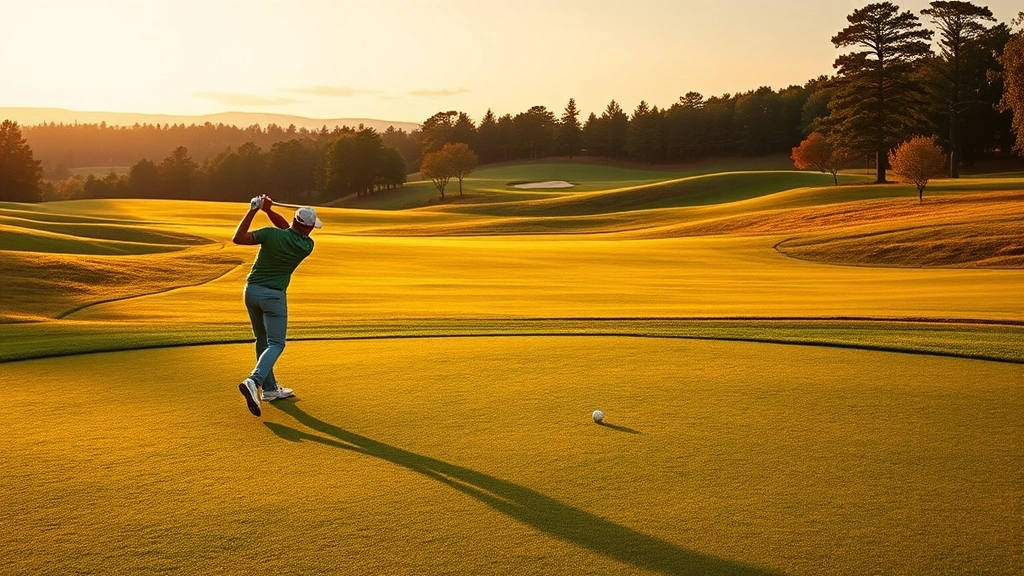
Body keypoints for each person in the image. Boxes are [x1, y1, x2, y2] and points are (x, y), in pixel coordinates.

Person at [232, 195, 322, 416]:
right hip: (273, 297)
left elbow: (239, 238)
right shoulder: (306, 245)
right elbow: (289, 229)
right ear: (309, 228)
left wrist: (256, 209)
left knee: (262, 340)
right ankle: (254, 381)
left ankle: (270, 390)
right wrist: (268, 210)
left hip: (251, 292)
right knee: (277, 343)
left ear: (294, 221)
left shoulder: (269, 234)